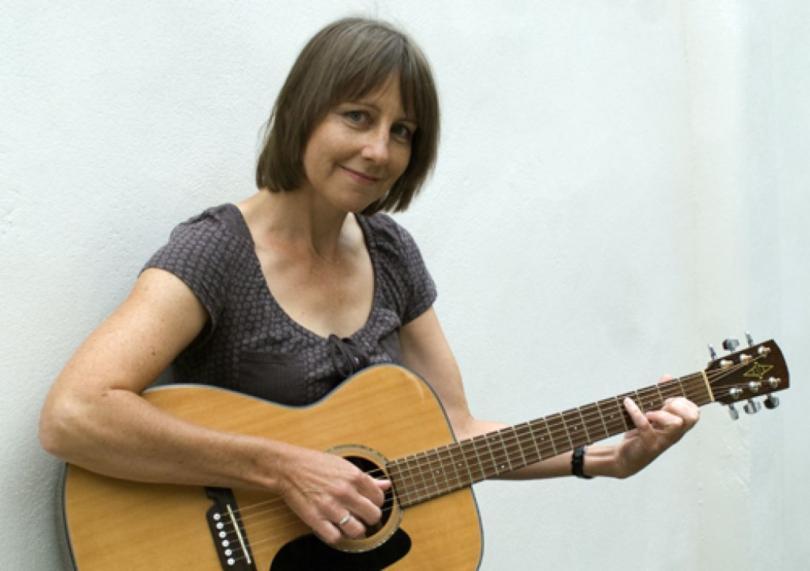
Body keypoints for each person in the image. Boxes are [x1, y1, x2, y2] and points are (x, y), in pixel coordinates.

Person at [39, 16, 699, 551]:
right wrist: (284, 466)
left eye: (402, 131)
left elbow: (456, 431)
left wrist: (603, 460)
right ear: (306, 112)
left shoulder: (392, 255)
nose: (379, 150)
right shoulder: (217, 251)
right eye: (357, 116)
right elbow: (75, 413)